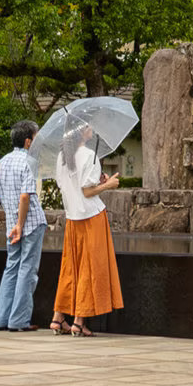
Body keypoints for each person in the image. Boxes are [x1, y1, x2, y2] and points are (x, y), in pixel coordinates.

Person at [48, 122, 123, 336]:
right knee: (90, 268)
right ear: (82, 133)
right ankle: (79, 321)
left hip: (73, 217)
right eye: (88, 126)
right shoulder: (89, 155)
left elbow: (69, 186)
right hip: (91, 217)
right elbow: (88, 192)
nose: (92, 129)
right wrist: (107, 186)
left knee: (71, 268)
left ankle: (58, 317)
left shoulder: (62, 157)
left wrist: (97, 183)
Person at [0, 120, 44, 333]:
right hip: (29, 223)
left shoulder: (3, 161)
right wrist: (21, 225)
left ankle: (1, 319)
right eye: (36, 137)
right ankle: (19, 320)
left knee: (11, 268)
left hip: (10, 225)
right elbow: (25, 196)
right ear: (28, 142)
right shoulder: (29, 162)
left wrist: (14, 222)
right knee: (27, 270)